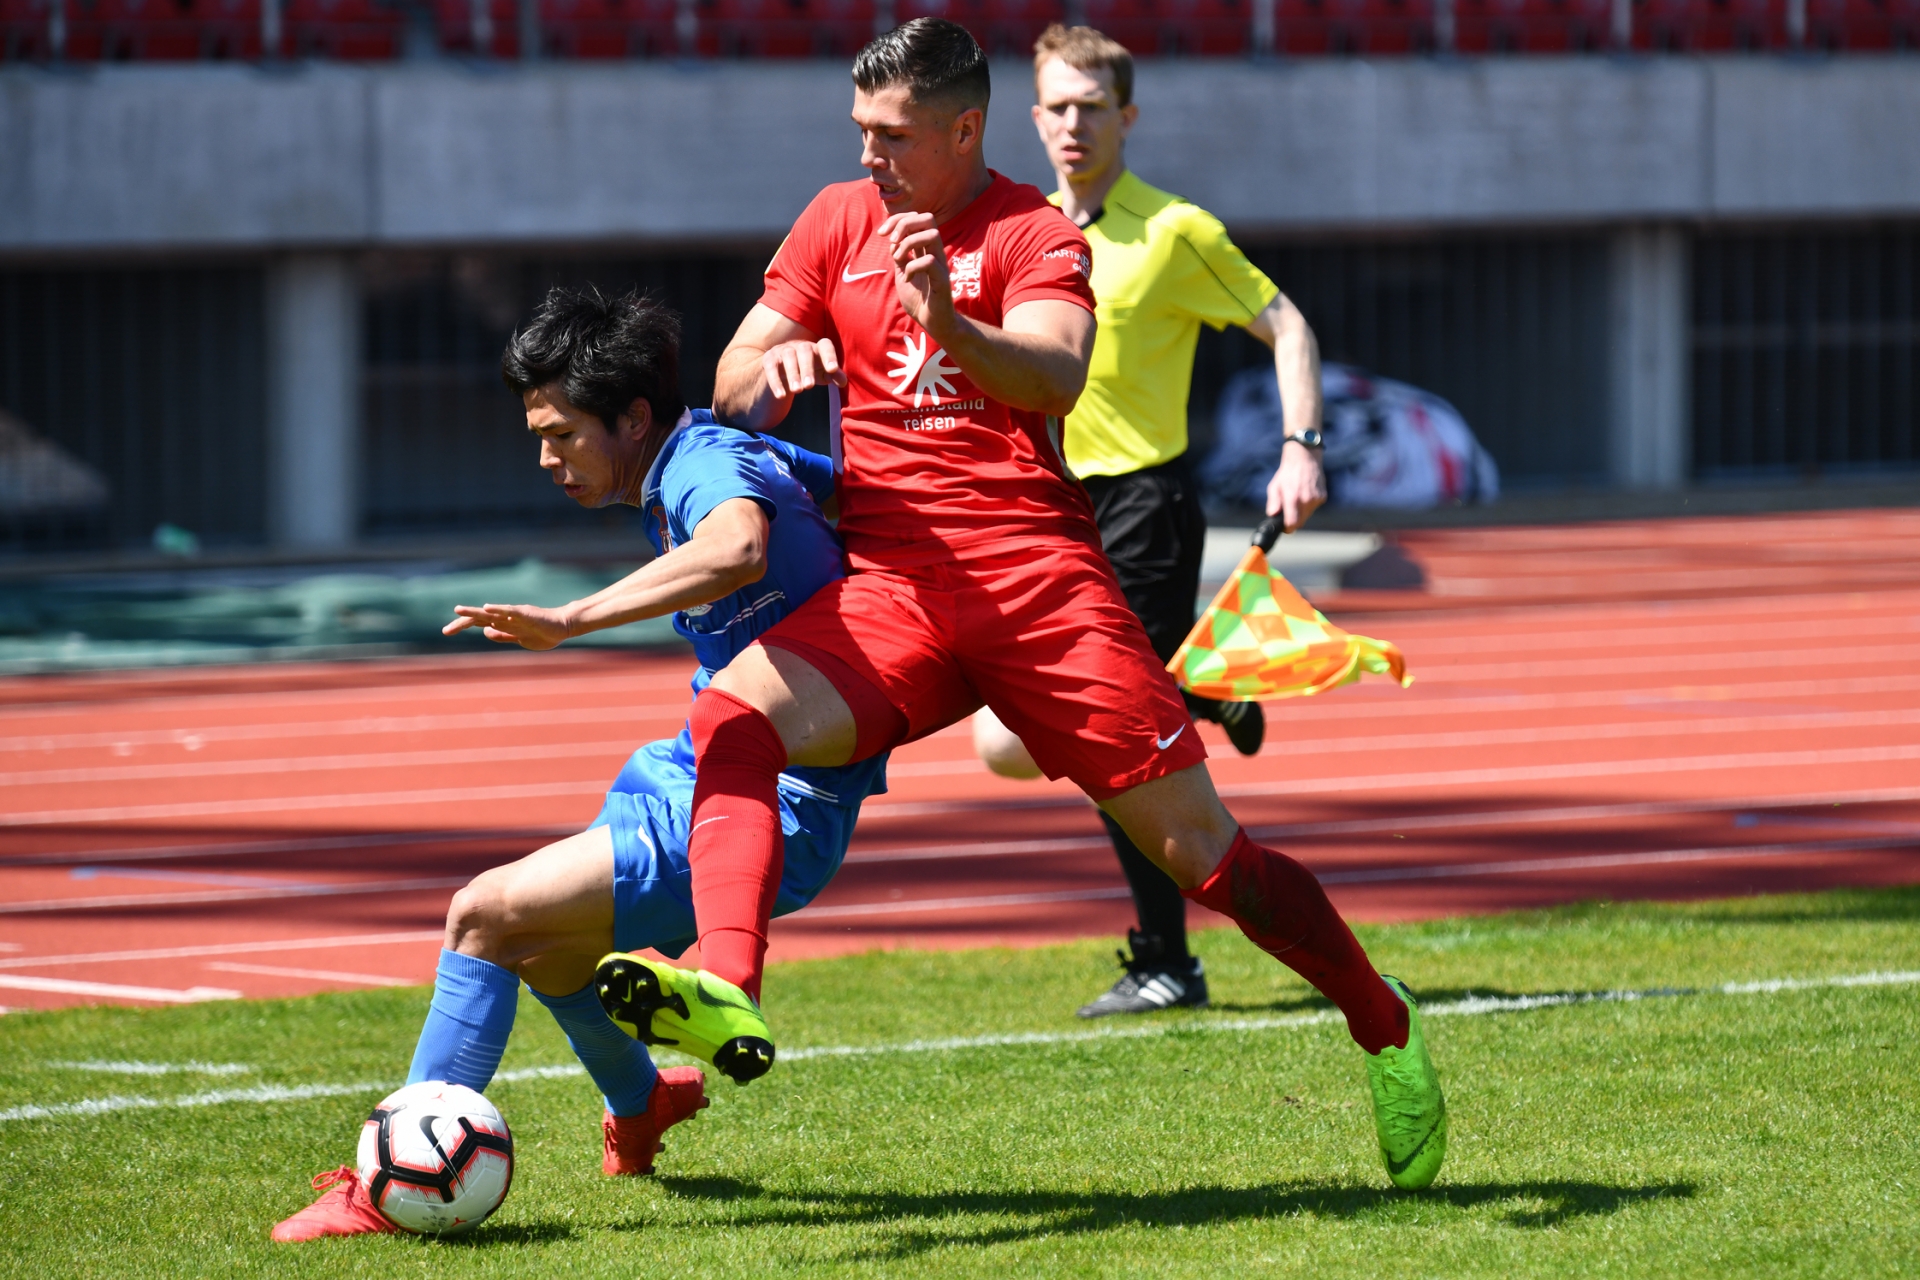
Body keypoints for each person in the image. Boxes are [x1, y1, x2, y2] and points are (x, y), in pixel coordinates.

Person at [594, 18, 1448, 1191]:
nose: (870, 156)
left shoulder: (1036, 232)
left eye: (892, 137)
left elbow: (1054, 373)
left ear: (962, 129)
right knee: (728, 719)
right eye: (859, 133)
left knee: (1208, 857)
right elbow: (736, 374)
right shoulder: (834, 218)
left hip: (1041, 585)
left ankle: (1381, 1018)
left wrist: (946, 320)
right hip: (894, 586)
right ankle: (727, 985)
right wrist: (773, 378)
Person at [270, 285, 889, 1241]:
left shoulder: (701, 464)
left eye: (562, 434)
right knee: (557, 949)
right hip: (696, 764)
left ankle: (386, 1194)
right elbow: (849, 490)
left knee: (484, 913)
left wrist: (569, 620)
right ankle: (641, 1104)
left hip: (769, 802)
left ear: (632, 418)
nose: (548, 458)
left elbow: (738, 545)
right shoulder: (707, 455)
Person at [973, 24, 1333, 1020]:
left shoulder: (1175, 231)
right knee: (998, 744)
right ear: (1034, 116)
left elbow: (1288, 323)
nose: (1074, 123)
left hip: (1143, 505)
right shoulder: (1019, 228)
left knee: (1103, 736)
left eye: (1094, 105)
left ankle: (1166, 959)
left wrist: (1302, 444)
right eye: (1057, 105)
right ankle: (1208, 692)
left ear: (1127, 116)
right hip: (1044, 510)